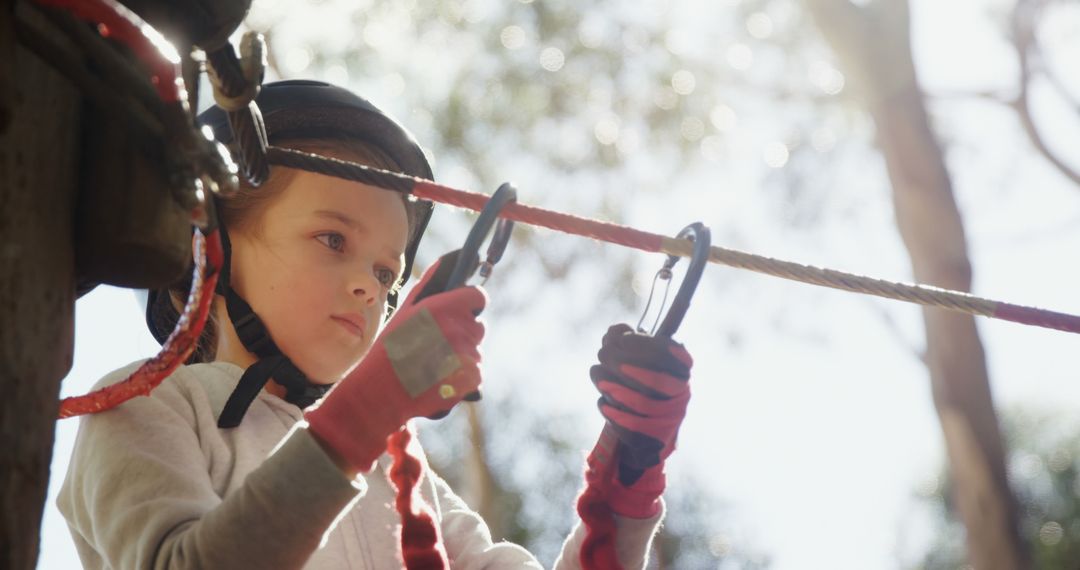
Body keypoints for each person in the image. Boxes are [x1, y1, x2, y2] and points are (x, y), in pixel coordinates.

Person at [57, 80, 694, 569]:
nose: (370, 285)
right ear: (211, 251)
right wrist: (364, 414)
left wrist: (625, 479)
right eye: (332, 238)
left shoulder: (403, 474)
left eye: (388, 273)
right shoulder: (141, 408)